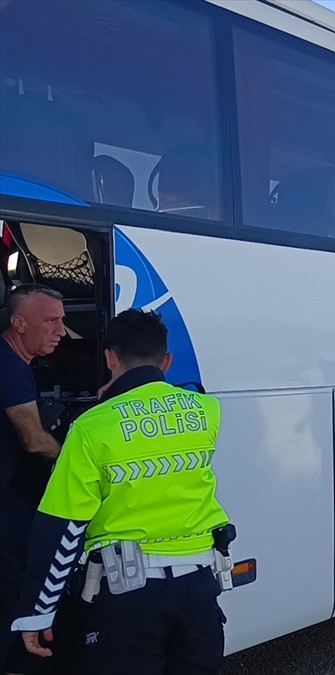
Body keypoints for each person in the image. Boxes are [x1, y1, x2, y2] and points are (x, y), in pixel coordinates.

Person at [10, 309, 233, 674]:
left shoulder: (92, 426)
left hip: (127, 595)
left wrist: (39, 610)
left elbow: (63, 526)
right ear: (167, 360)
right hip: (198, 590)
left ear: (109, 357)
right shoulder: (207, 411)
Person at [1, 284, 66, 675]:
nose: (61, 329)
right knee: (12, 587)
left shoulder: (15, 362)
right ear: (19, 322)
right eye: (52, 321)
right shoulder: (9, 366)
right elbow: (33, 441)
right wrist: (77, 458)